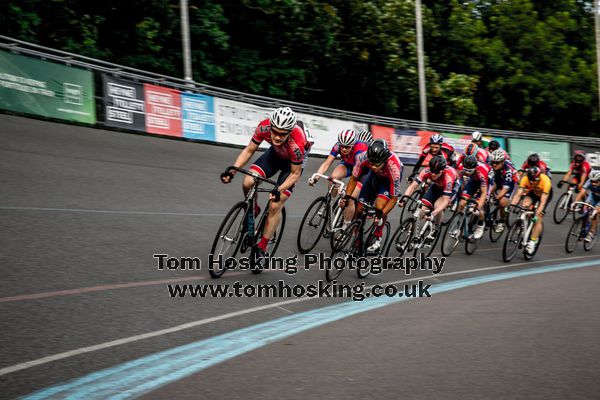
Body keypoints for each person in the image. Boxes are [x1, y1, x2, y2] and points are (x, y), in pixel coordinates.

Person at [220, 106, 311, 260]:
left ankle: (262, 246)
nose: (276, 137)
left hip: (291, 167)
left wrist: (278, 189)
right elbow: (249, 150)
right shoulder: (264, 126)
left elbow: (296, 174)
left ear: (289, 131)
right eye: (274, 132)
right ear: (271, 125)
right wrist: (233, 170)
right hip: (274, 156)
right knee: (248, 181)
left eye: (282, 134)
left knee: (276, 204)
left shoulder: (297, 144)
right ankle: (253, 208)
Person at [340, 139, 404, 253]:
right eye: (371, 163)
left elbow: (394, 198)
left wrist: (381, 214)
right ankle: (358, 238)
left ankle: (377, 237)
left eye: (377, 164)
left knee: (379, 207)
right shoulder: (363, 157)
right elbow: (353, 179)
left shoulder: (394, 167)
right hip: (373, 177)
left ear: (384, 160)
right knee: (359, 207)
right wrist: (346, 197)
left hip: (387, 181)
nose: (373, 166)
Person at [310, 129, 368, 228]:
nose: (344, 149)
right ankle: (329, 202)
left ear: (353, 145)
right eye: (342, 146)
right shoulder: (337, 146)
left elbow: (355, 175)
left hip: (363, 171)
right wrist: (316, 177)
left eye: (347, 147)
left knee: (350, 199)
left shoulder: (360, 150)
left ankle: (346, 226)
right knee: (333, 178)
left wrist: (347, 190)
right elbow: (326, 164)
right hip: (349, 165)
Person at [402, 155, 457, 240]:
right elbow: (413, 186)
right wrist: (404, 199)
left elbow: (445, 201)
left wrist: (433, 213)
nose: (433, 174)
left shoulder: (448, 178)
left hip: (450, 189)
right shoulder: (426, 171)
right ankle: (409, 237)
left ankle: (437, 227)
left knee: (438, 206)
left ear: (442, 171)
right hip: (437, 186)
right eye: (432, 171)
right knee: (422, 210)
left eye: (436, 172)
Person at [510, 166, 553, 254]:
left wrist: (537, 214)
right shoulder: (525, 179)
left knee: (539, 217)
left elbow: (543, 202)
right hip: (533, 192)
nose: (532, 181)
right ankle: (523, 223)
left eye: (534, 179)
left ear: (539, 177)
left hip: (544, 196)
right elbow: (518, 194)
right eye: (531, 180)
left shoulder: (545, 181)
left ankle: (532, 242)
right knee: (525, 205)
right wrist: (511, 205)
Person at [456, 154, 491, 239]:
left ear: (475, 167)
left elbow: (483, 193)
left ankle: (480, 225)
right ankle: (459, 225)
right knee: (462, 203)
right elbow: (457, 183)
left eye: (469, 171)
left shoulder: (481, 172)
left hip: (487, 182)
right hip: (473, 180)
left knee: (479, 209)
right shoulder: (461, 168)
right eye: (466, 170)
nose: (467, 172)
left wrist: (478, 207)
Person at [489, 149, 518, 233]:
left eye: (497, 163)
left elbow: (505, 189)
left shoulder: (508, 171)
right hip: (499, 179)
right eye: (493, 162)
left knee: (502, 202)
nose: (494, 164)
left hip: (510, 183)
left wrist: (497, 197)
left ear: (502, 162)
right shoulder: (492, 165)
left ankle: (502, 221)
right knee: (488, 190)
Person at [573, 170, 600, 242]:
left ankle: (591, 233)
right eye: (592, 181)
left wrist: (596, 210)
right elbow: (582, 191)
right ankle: (584, 226)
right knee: (586, 208)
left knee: (595, 213)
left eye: (596, 182)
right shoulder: (589, 181)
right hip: (593, 196)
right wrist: (575, 202)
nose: (593, 183)